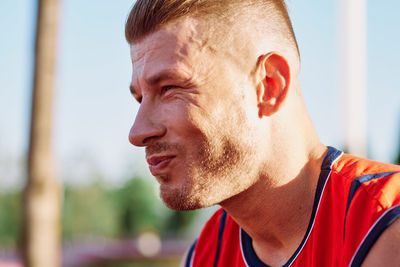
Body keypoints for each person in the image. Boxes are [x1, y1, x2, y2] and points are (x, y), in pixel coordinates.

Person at [124, 0, 400, 266]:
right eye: (139, 98)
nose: (137, 133)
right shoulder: (204, 254)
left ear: (268, 85)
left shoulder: (384, 221)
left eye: (170, 88)